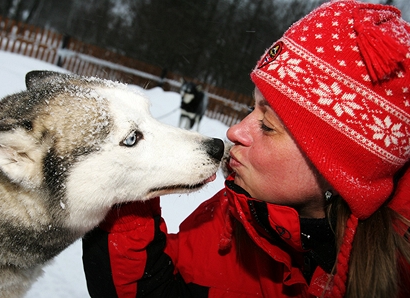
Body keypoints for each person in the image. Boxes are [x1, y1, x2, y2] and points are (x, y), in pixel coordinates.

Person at [82, 0, 410, 297]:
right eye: (250, 108)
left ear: (338, 170)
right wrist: (126, 181)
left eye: (267, 126)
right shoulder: (234, 215)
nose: (235, 131)